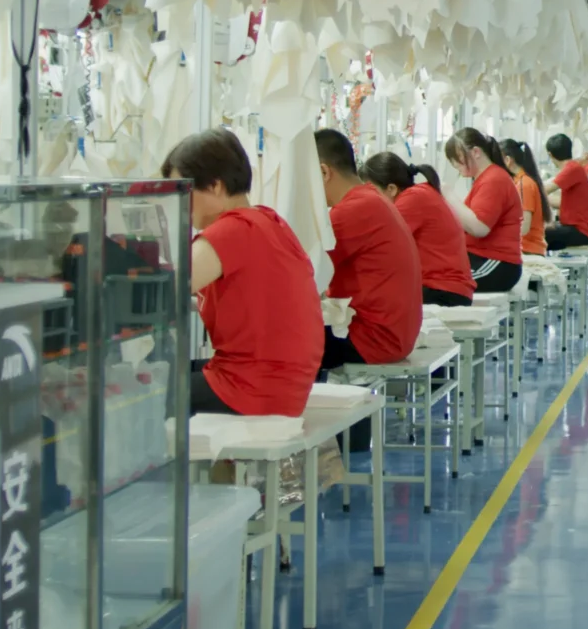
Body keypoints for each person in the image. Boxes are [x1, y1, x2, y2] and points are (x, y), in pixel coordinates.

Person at [162, 128, 324, 417]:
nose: (181, 205)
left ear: (214, 186)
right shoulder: (268, 221)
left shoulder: (232, 230)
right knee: (167, 374)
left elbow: (164, 288)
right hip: (285, 384)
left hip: (252, 389)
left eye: (184, 192)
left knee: (137, 395)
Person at [314, 130, 422, 372]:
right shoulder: (371, 199)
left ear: (324, 172)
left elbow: (306, 271)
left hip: (372, 339)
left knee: (274, 342)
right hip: (394, 334)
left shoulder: (353, 210)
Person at [366, 153, 474, 307]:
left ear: (391, 188)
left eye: (372, 192)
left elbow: (378, 246)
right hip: (448, 289)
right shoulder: (421, 193)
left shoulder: (412, 199)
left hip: (443, 291)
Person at [445, 127, 525, 293]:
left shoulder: (493, 179)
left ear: (476, 152)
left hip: (496, 263)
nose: (454, 164)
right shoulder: (486, 179)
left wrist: (448, 195)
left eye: (457, 158)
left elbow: (479, 228)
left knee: (441, 285)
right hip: (482, 259)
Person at [543, 132, 588, 250]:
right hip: (579, 230)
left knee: (533, 236)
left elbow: (544, 190)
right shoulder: (574, 168)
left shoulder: (572, 169)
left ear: (550, 154)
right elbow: (560, 202)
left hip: (579, 232)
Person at [503, 138, 550, 256]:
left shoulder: (524, 184)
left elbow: (523, 228)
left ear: (507, 160)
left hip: (527, 249)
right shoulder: (519, 181)